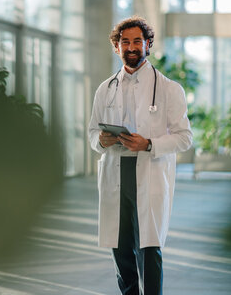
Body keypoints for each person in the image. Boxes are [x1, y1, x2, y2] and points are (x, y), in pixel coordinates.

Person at [88, 16, 193, 294]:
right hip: (116, 175)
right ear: (116, 47)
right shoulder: (104, 89)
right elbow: (90, 135)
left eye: (137, 41)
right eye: (125, 42)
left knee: (148, 251)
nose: (131, 47)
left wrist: (148, 144)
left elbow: (185, 137)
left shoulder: (169, 89)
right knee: (121, 253)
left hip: (149, 173)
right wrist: (101, 140)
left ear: (148, 44)